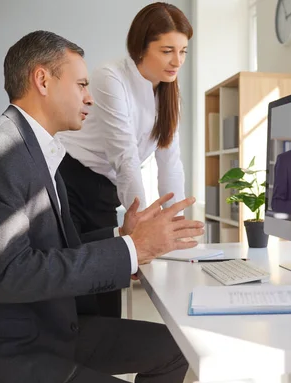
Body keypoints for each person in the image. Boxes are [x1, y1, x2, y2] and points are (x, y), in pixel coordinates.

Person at [0, 30, 204, 383]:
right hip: (6, 357)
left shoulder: (39, 151)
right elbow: (13, 275)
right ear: (42, 80)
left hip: (47, 330)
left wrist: (122, 239)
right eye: (81, 84)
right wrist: (130, 251)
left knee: (177, 347)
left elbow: (53, 249)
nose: (90, 97)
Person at [57, 2, 192, 318]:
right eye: (167, 50)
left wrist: (178, 230)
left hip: (104, 191)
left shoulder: (169, 94)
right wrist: (144, 231)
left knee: (107, 299)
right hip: (71, 181)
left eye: (184, 51)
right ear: (141, 46)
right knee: (78, 292)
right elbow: (125, 157)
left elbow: (170, 163)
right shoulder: (110, 76)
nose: (178, 61)